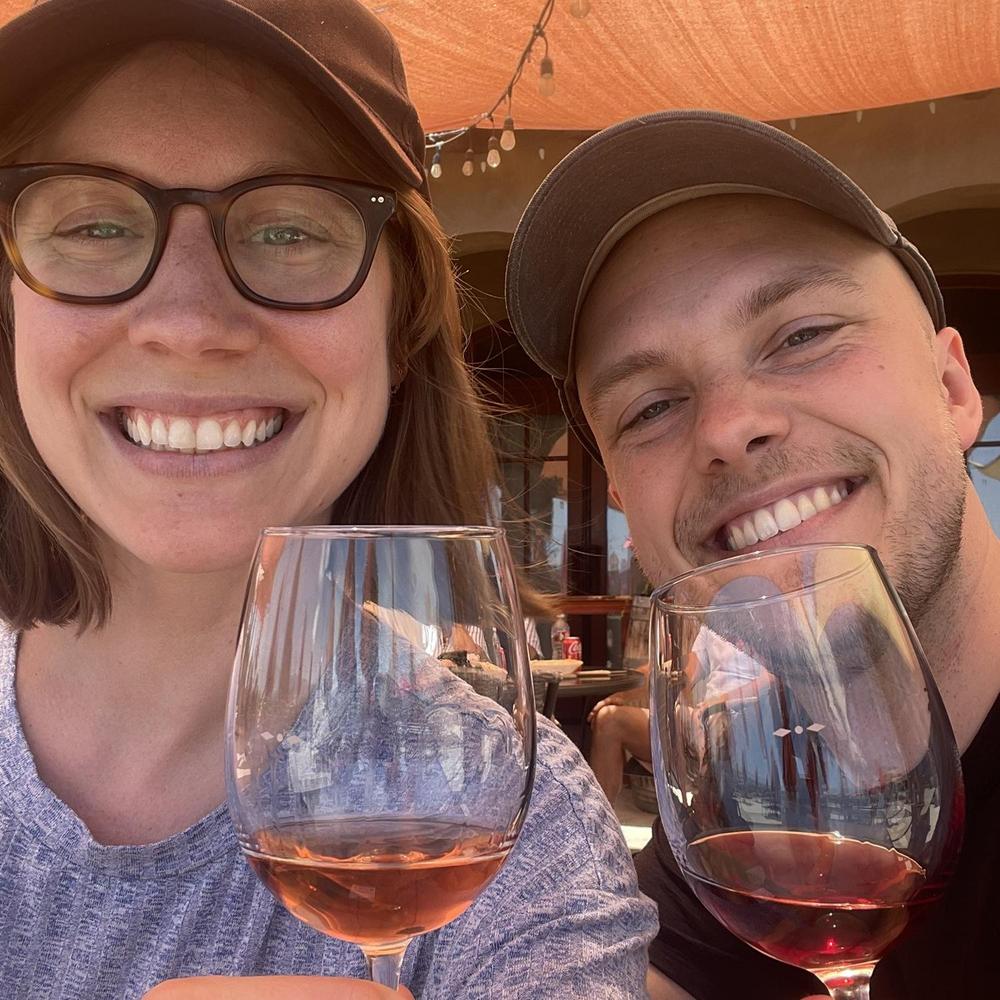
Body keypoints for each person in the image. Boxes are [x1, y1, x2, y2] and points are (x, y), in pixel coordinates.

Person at [0, 2, 657, 997]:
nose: (189, 322)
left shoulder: (507, 816)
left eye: (289, 228)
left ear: (399, 328)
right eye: (93, 224)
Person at [507, 109, 1000, 999]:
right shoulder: (749, 792)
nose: (729, 428)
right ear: (624, 505)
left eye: (802, 336)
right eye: (652, 407)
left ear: (954, 388)